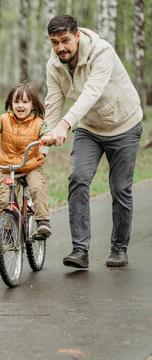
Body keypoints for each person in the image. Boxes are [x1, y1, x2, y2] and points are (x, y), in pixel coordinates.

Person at [43, 15, 143, 268]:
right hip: (88, 127)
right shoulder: (54, 65)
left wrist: (65, 125)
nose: (60, 48)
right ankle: (80, 250)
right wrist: (42, 145)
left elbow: (91, 92)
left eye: (65, 40)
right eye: (54, 42)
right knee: (78, 178)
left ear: (77, 36)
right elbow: (53, 103)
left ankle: (119, 249)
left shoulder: (102, 52)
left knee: (120, 189)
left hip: (124, 125)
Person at [0, 83, 51, 238]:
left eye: (25, 102)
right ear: (10, 104)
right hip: (9, 167)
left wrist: (47, 138)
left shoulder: (38, 122)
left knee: (37, 187)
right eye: (16, 101)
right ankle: (7, 230)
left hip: (31, 165)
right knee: (5, 198)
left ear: (32, 105)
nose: (20, 105)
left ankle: (43, 221)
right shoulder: (4, 119)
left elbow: (46, 133)